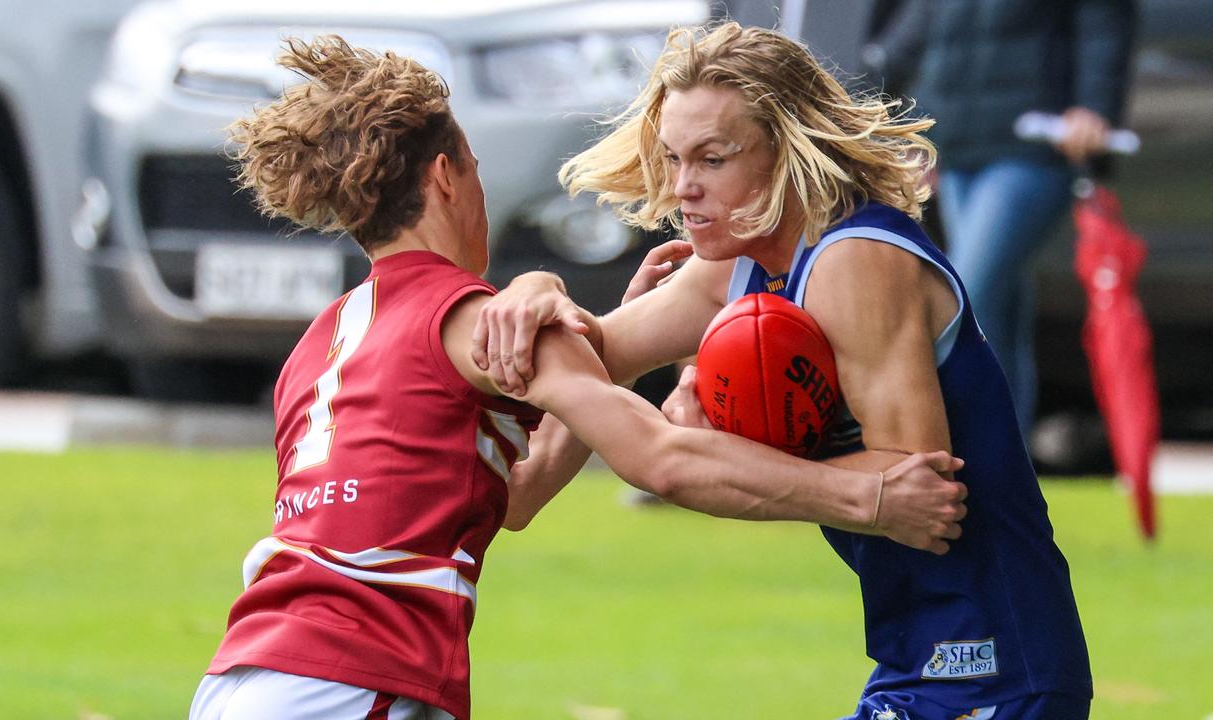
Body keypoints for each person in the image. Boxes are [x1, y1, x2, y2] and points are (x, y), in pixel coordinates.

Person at [188, 34, 967, 720]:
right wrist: (867, 495)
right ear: (448, 178)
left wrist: (560, 315)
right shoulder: (471, 318)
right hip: (352, 681)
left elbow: (509, 495)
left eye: (709, 158)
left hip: (241, 672)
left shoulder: (322, 343)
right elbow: (658, 457)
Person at [474, 22, 1091, 720]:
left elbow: (921, 496)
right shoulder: (733, 268)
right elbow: (580, 373)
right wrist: (534, 293)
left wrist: (714, 436)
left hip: (996, 664)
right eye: (675, 159)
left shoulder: (853, 260)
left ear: (786, 149)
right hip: (916, 658)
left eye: (712, 159)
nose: (683, 188)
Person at [908, 0, 1137, 437]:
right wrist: (922, 130)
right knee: (996, 320)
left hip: (1033, 145)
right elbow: (933, 39)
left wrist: (1095, 106)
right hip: (961, 153)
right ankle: (1012, 480)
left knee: (963, 298)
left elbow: (1105, 19)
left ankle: (978, 461)